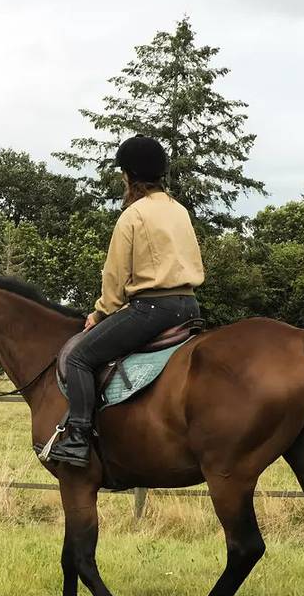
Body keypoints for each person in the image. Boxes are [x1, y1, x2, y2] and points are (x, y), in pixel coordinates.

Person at [46, 135, 205, 468]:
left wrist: (100, 313)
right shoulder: (180, 211)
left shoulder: (133, 216)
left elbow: (115, 278)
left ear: (129, 176)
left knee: (78, 357)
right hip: (189, 306)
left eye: (123, 174)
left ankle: (77, 438)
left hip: (152, 309)